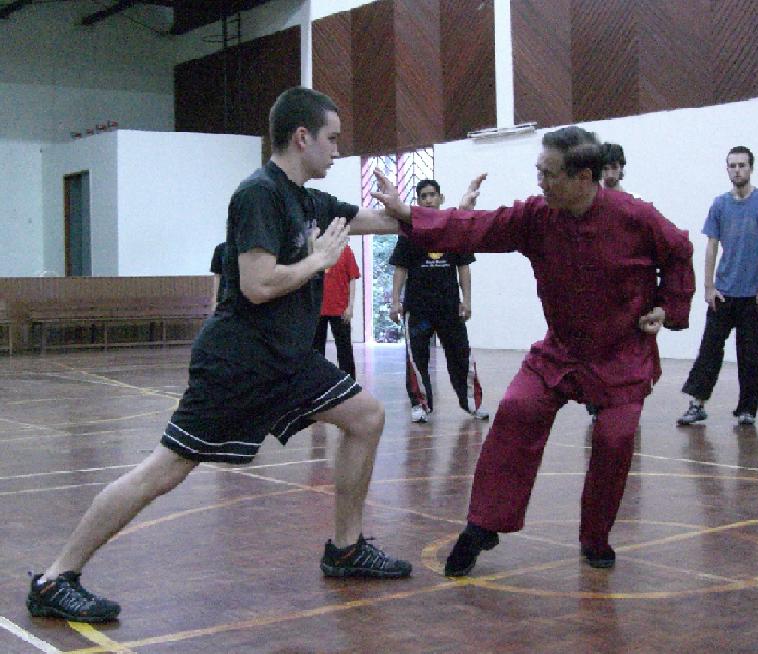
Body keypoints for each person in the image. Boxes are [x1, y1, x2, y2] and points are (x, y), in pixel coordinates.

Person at [26, 87, 411, 625]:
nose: (337, 150)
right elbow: (257, 284)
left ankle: (346, 549)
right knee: (166, 469)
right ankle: (55, 578)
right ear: (302, 138)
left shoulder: (311, 200)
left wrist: (409, 211)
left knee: (366, 415)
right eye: (331, 139)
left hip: (288, 359)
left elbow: (385, 224)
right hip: (239, 361)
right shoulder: (258, 194)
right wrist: (318, 262)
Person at [371, 126, 695, 575]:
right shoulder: (536, 216)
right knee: (518, 410)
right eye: (537, 171)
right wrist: (409, 213)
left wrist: (667, 306)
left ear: (584, 178)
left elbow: (680, 251)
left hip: (622, 354)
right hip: (560, 350)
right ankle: (483, 525)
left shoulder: (636, 216)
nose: (539, 182)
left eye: (549, 174)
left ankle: (595, 536)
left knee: (614, 438)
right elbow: (476, 227)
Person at [677, 146, 758, 427]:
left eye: (742, 165)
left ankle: (747, 409)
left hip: (754, 295)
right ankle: (696, 403)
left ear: (751, 168)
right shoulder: (719, 205)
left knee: (752, 355)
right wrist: (709, 287)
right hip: (724, 293)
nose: (737, 170)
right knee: (709, 349)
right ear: (727, 169)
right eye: (732, 165)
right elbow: (711, 247)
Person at [389, 179, 488, 424]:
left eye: (432, 195)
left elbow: (464, 268)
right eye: (423, 196)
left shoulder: (454, 230)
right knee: (417, 359)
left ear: (441, 198)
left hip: (449, 309)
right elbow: (400, 269)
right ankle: (420, 405)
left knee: (461, 356)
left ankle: (471, 405)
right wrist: (395, 302)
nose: (428, 200)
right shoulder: (410, 232)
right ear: (418, 201)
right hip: (418, 310)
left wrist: (467, 301)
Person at [312, 240, 360, 378]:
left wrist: (350, 306)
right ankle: (317, 381)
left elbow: (352, 279)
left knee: (344, 348)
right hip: (318, 309)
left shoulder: (345, 251)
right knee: (316, 349)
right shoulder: (315, 252)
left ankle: (349, 381)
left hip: (340, 309)